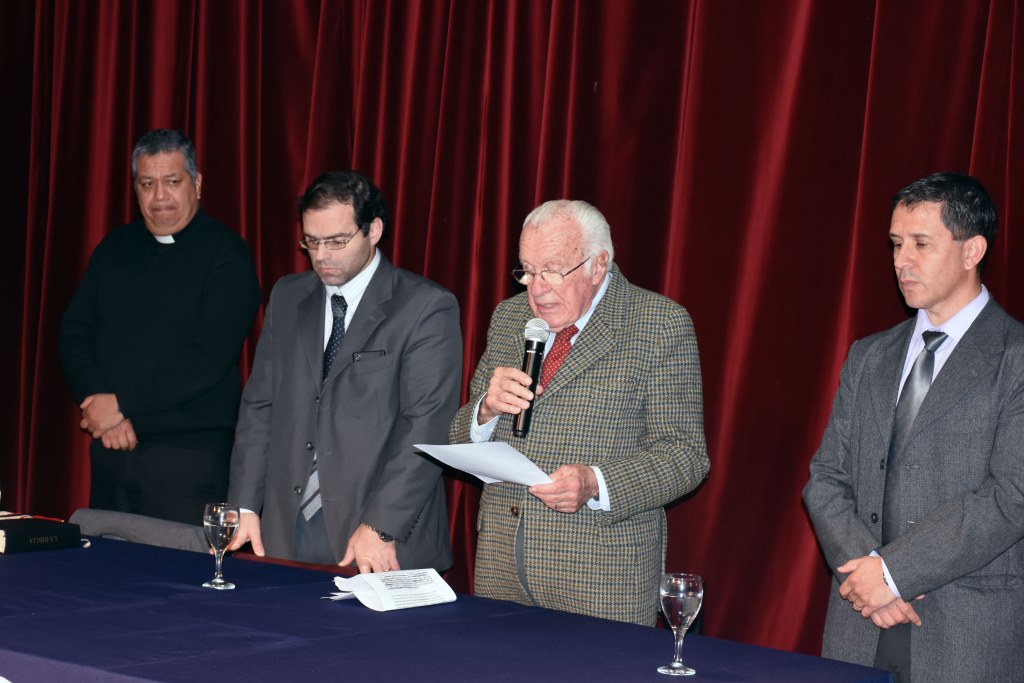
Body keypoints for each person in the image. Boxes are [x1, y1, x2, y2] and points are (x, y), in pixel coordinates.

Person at [803, 172, 1024, 682]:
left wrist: (894, 573)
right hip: (861, 622)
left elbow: (1010, 497)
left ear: (972, 251)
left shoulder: (1013, 358)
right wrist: (869, 578)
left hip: (967, 634)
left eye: (921, 244)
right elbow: (826, 477)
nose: (902, 260)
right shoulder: (869, 355)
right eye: (896, 244)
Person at [448, 199, 709, 625]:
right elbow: (460, 435)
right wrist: (484, 411)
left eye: (552, 270)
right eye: (527, 270)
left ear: (598, 264)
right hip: (501, 570)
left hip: (598, 579)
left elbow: (684, 455)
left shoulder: (658, 324)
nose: (536, 288)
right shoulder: (510, 317)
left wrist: (595, 482)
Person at [227, 170, 459, 573]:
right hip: (286, 530)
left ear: (374, 230)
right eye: (311, 242)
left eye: (336, 241)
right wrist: (245, 503)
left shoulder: (424, 307)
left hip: (378, 535)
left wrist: (380, 526)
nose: (321, 256)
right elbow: (260, 406)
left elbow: (426, 429)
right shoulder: (287, 295)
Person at [59, 128, 261, 525]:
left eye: (172, 182)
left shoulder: (227, 255)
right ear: (135, 188)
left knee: (178, 587)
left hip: (187, 462)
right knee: (98, 583)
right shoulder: (114, 249)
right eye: (147, 184)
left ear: (197, 183)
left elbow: (207, 359)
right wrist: (97, 400)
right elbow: (74, 331)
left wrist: (121, 407)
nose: (160, 197)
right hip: (112, 454)